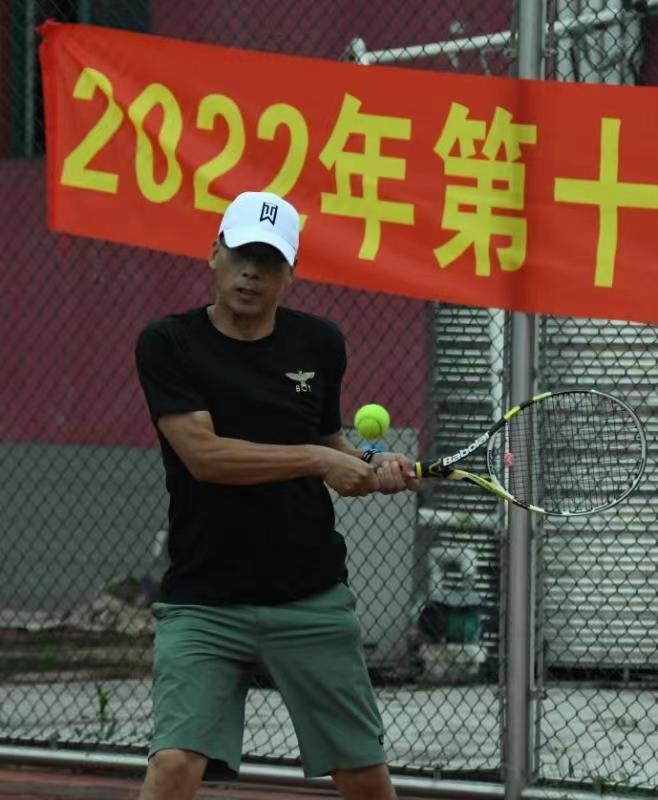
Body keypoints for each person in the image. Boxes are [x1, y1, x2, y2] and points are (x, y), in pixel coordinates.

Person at [134, 190, 418, 800]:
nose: (251, 274)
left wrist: (372, 463)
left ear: (290, 274)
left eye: (268, 262)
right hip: (205, 600)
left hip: (308, 595)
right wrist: (318, 461)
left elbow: (326, 437)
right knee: (174, 763)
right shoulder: (168, 344)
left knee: (364, 775)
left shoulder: (319, 344)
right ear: (214, 253)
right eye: (241, 255)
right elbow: (205, 457)